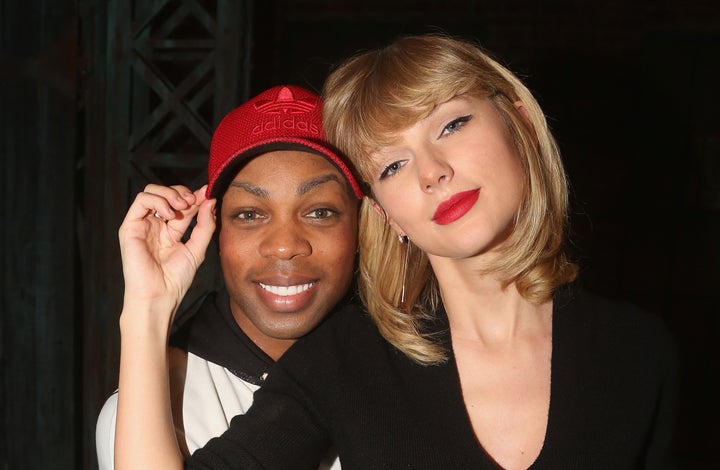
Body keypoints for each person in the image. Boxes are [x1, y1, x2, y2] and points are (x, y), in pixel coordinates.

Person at [115, 34, 679, 469]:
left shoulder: (638, 351)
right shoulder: (346, 360)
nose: (433, 172)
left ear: (521, 124)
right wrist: (146, 308)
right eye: (392, 164)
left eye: (452, 123)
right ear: (383, 212)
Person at [102, 84, 362, 469]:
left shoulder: (407, 369)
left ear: (362, 227)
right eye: (250, 214)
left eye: (320, 212)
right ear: (214, 230)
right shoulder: (153, 414)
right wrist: (148, 306)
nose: (284, 246)